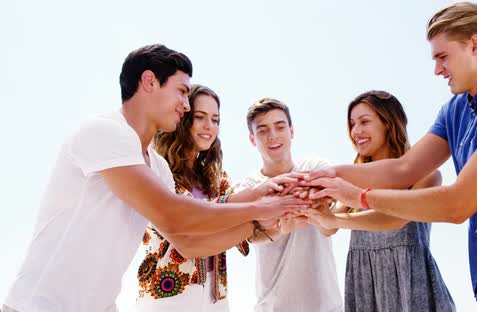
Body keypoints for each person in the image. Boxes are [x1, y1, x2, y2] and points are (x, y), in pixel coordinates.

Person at [302, 3, 477, 311]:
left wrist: (361, 196)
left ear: (476, 45)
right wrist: (327, 174)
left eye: (443, 57)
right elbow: (405, 168)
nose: (437, 69)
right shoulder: (456, 110)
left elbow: (457, 204)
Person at [2, 44, 308, 312]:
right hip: (39, 306)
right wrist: (262, 208)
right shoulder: (105, 131)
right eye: (182, 91)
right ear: (149, 81)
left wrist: (263, 207)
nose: (186, 106)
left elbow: (188, 243)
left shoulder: (157, 166)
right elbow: (175, 216)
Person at [135, 84, 297, 311]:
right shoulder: (158, 170)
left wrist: (285, 219)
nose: (209, 127)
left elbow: (245, 234)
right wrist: (257, 200)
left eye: (215, 120)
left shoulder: (217, 179)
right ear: (182, 118)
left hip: (216, 298)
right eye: (200, 117)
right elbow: (191, 218)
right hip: (166, 297)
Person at [304, 90, 455, 312]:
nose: (356, 131)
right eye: (352, 124)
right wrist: (318, 211)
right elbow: (328, 228)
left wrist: (333, 220)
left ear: (388, 123)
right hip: (365, 284)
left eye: (365, 121)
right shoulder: (355, 175)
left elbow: (394, 219)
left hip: (410, 283)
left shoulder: (426, 175)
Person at [234, 98, 342, 312]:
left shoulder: (316, 167)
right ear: (252, 139)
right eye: (262, 130)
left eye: (280, 127)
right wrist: (284, 223)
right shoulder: (247, 188)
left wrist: (273, 210)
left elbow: (330, 226)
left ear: (291, 131)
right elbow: (251, 236)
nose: (272, 136)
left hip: (326, 304)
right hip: (272, 306)